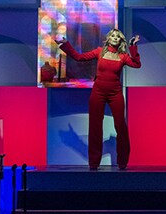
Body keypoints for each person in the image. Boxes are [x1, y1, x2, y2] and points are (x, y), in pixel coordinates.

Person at [58, 29, 141, 170]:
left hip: (115, 93)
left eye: (118, 36)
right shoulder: (99, 52)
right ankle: (94, 163)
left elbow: (137, 64)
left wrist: (133, 46)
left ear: (121, 40)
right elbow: (78, 57)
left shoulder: (123, 56)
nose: (115, 38)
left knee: (120, 126)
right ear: (108, 39)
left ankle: (122, 162)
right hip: (98, 92)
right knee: (95, 127)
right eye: (112, 36)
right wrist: (66, 44)